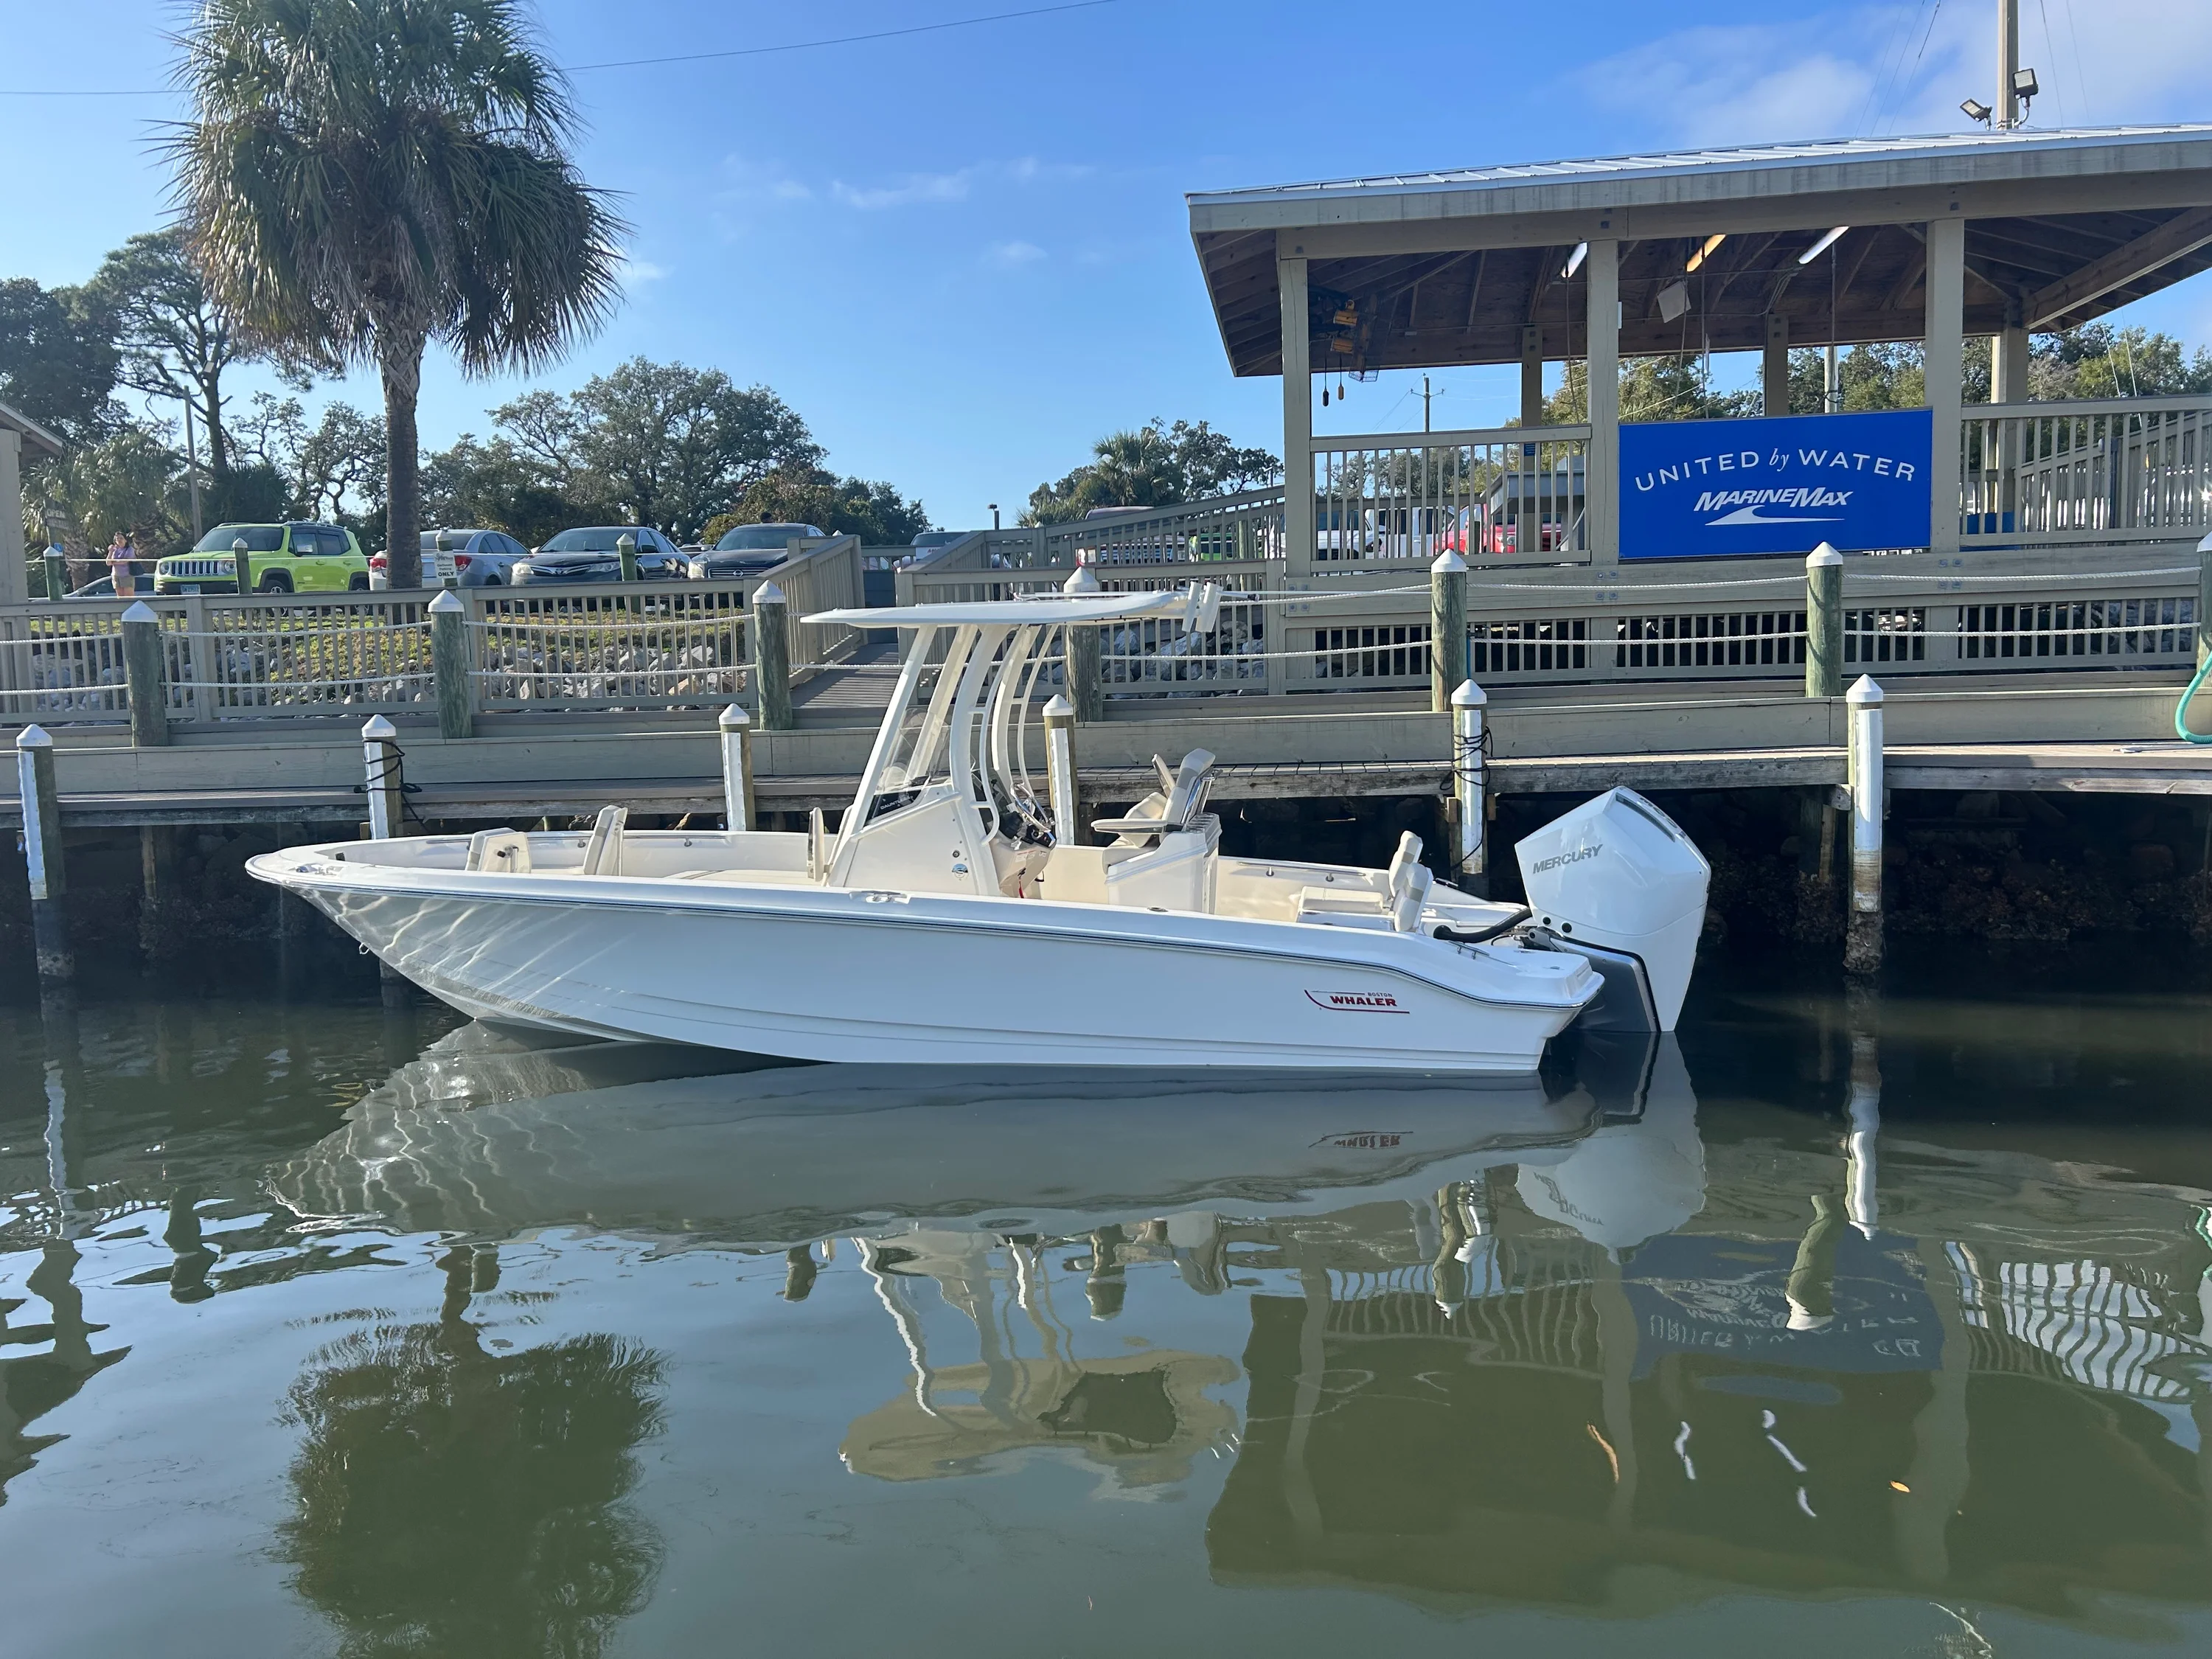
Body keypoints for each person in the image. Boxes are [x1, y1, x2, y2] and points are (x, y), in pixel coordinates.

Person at [106, 532, 138, 597]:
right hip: (116, 576)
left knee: (128, 597)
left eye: (121, 538)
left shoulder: (130, 550)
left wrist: (113, 562)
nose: (119, 540)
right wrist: (110, 551)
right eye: (117, 539)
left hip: (127, 575)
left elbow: (124, 561)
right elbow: (108, 563)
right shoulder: (115, 550)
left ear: (125, 540)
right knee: (120, 597)